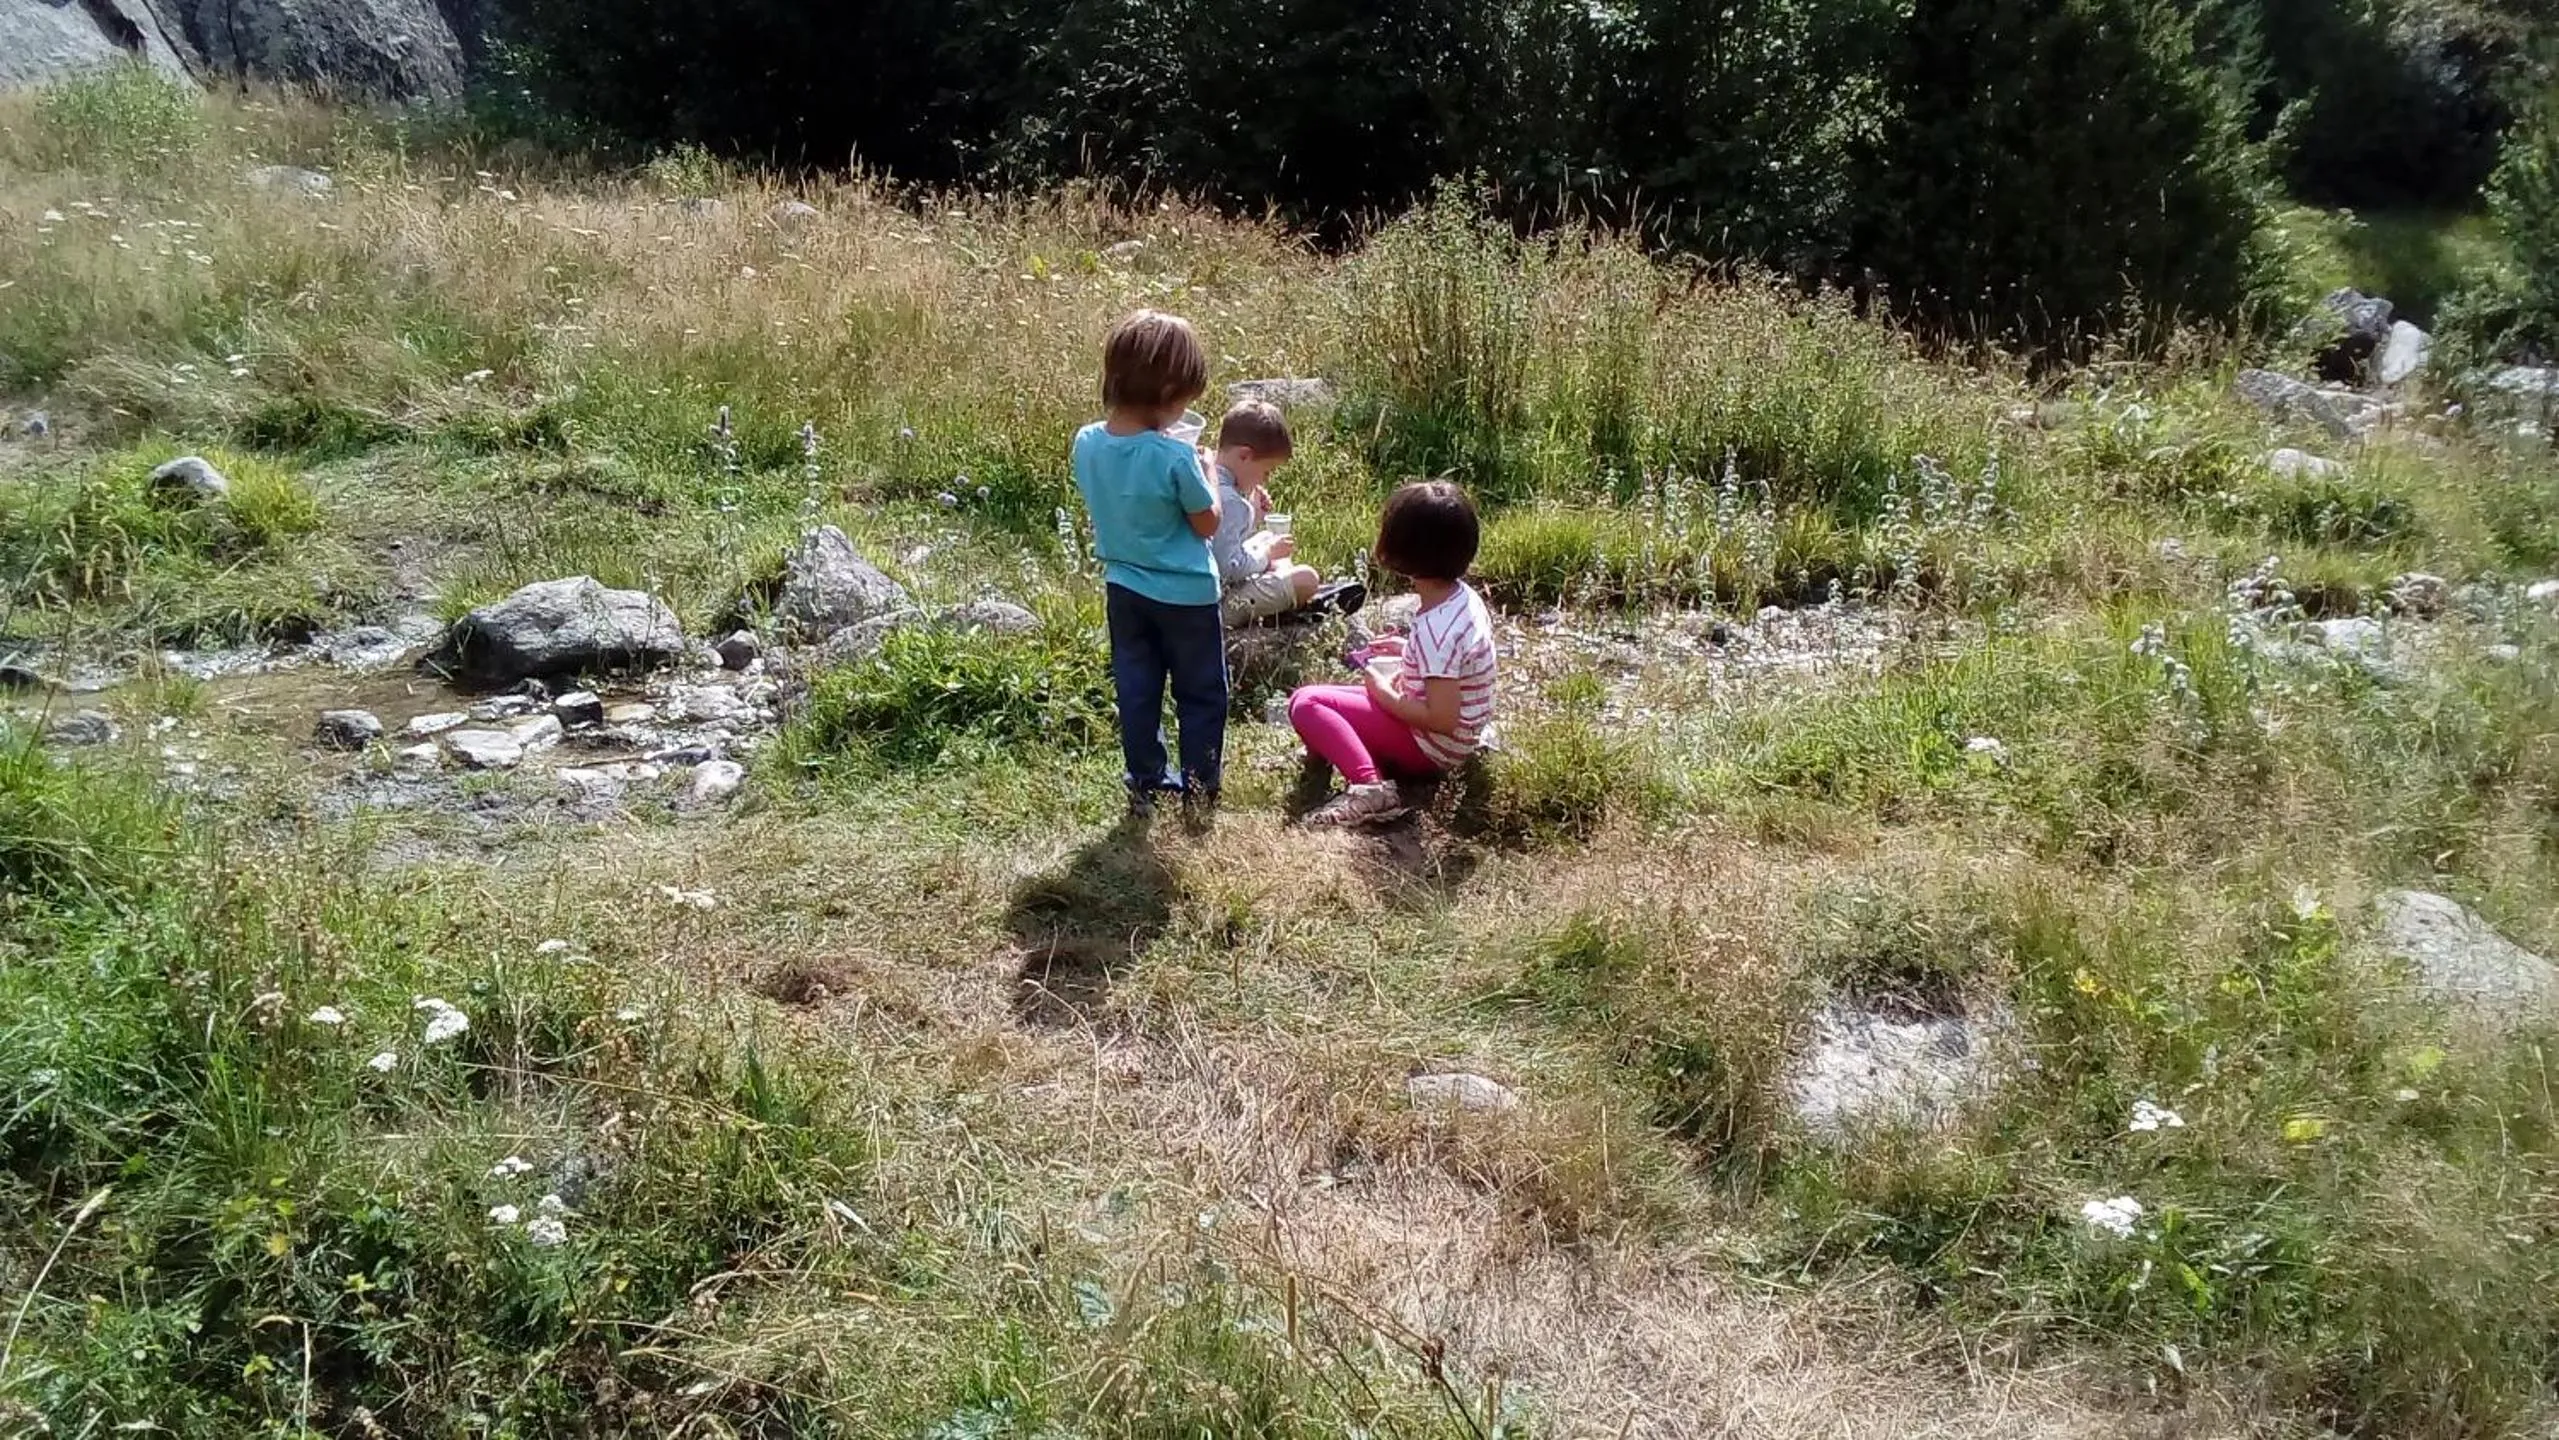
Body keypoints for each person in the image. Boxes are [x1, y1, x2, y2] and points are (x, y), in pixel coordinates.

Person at [1072, 310, 1225, 814]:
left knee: (1138, 689)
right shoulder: (1175, 457)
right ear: (1167, 394)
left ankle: (1145, 781)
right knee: (1200, 693)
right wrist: (1208, 471)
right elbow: (1207, 524)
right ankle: (1199, 788)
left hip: (1124, 589)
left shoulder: (1087, 442)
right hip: (1187, 596)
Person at [1287, 481, 1496, 827]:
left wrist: (1383, 694)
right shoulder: (1461, 598)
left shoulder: (1437, 628)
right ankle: (1338, 750)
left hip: (1435, 746)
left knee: (1308, 703)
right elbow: (1454, 664)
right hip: (1454, 738)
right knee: (1310, 700)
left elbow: (1442, 718)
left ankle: (1371, 788)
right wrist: (1408, 652)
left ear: (1401, 549)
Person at [1209, 401, 1364, 628]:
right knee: (1306, 577)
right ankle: (1299, 601)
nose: (1266, 479)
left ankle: (1290, 592)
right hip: (1218, 606)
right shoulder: (1230, 501)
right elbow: (1227, 569)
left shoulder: (1208, 471)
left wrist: (1254, 514)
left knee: (1266, 539)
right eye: (1266, 471)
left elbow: (1222, 542)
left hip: (1211, 588)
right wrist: (1268, 554)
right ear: (1244, 456)